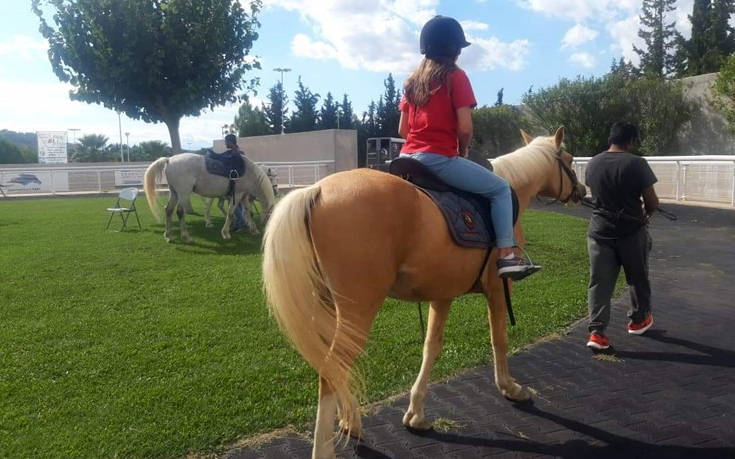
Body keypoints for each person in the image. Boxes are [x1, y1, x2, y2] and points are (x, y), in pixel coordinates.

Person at [397, 15, 540, 280]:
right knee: (500, 189)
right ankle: (507, 255)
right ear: (454, 49)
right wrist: (461, 150)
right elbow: (465, 128)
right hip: (438, 158)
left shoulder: (411, 83)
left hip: (406, 159)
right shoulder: (456, 77)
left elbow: (403, 130)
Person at [585, 122, 659, 350]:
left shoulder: (593, 163)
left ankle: (597, 333)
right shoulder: (637, 163)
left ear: (611, 139)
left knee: (599, 283)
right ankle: (639, 320)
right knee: (637, 277)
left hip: (599, 233)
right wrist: (647, 213)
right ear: (631, 141)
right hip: (631, 232)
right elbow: (652, 202)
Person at [222, 134, 248, 233]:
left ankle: (242, 223)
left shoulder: (238, 153)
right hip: (235, 183)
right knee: (237, 205)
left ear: (230, 142)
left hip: (237, 185)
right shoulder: (234, 152)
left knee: (233, 204)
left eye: (226, 141)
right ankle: (240, 223)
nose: (225, 143)